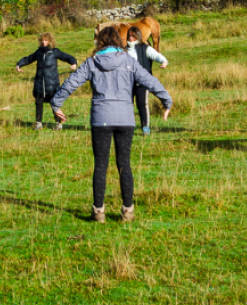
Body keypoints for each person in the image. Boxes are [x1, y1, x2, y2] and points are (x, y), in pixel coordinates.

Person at [51, 26, 172, 223]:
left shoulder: (92, 62)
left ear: (100, 42)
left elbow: (71, 83)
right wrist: (166, 100)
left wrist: (56, 103)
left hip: (101, 119)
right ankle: (128, 211)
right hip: (125, 119)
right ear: (118, 41)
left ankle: (98, 212)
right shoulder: (129, 61)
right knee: (124, 164)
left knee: (100, 165)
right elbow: (150, 80)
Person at [16, 32, 77, 130]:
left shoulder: (55, 52)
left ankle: (58, 123)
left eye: (46, 40)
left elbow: (67, 57)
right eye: (42, 40)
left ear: (50, 41)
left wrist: (73, 63)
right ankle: (38, 123)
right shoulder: (38, 52)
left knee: (54, 104)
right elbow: (28, 59)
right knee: (38, 104)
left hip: (52, 85)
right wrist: (19, 64)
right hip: (40, 85)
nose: (44, 42)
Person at [125, 25, 169, 136]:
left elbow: (157, 56)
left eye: (133, 36)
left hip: (143, 82)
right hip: (127, 83)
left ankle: (145, 127)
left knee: (142, 104)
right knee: (127, 105)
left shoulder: (145, 48)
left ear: (138, 36)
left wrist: (164, 62)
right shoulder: (123, 50)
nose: (131, 38)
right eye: (129, 35)